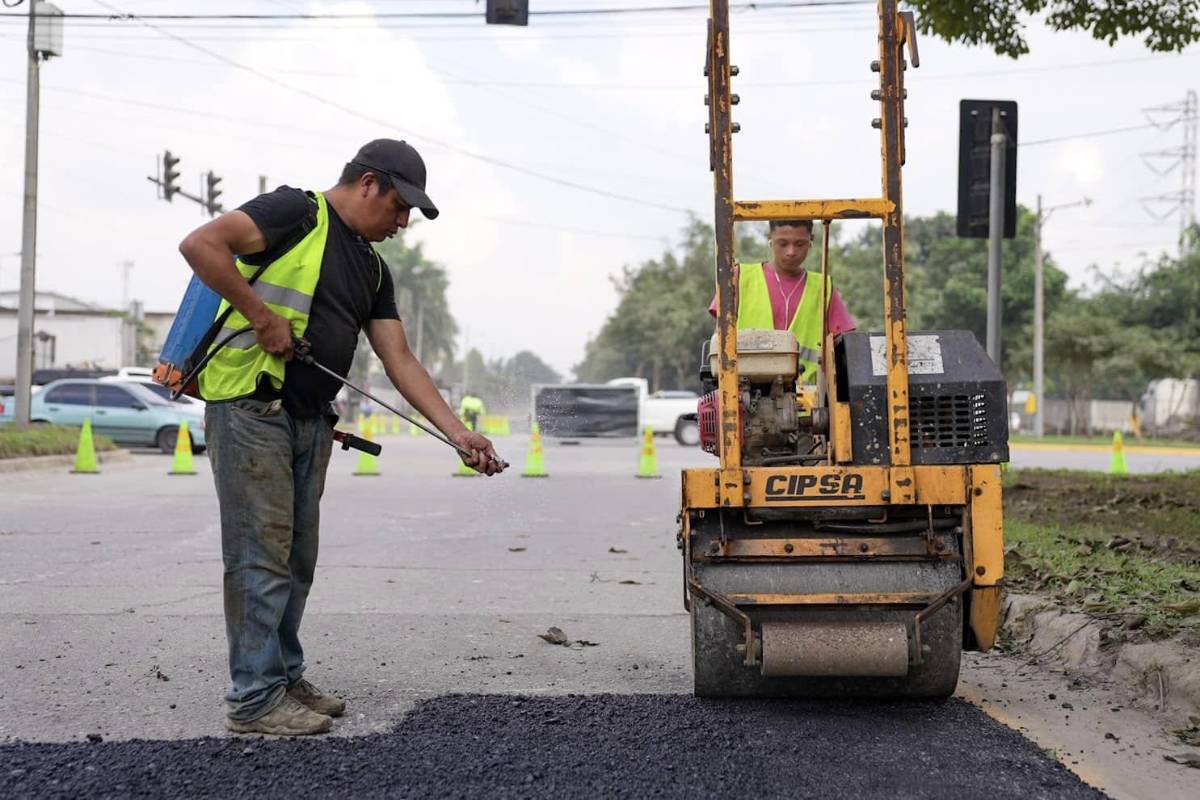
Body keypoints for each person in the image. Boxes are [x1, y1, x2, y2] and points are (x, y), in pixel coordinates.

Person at [178, 139, 503, 737]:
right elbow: (201, 246)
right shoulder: (293, 214)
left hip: (310, 418)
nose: (403, 223)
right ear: (369, 183)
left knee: (296, 557)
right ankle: (252, 700)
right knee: (260, 553)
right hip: (251, 408)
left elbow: (399, 358)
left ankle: (281, 675)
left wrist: (459, 433)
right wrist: (261, 315)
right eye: (400, 207)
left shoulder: (373, 267)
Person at [709, 219, 856, 382]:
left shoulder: (823, 288)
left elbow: (844, 350)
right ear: (770, 239)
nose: (791, 252)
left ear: (811, 241)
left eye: (800, 244)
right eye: (783, 243)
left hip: (809, 403)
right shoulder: (740, 277)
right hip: (744, 397)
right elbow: (720, 338)